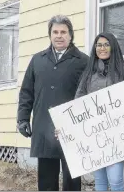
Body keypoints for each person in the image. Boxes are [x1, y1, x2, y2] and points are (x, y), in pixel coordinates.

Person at [17, 15, 89, 191]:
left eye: (63, 32)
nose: (59, 36)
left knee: (72, 180)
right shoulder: (37, 60)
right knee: (46, 180)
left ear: (71, 35)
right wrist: (23, 119)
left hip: (71, 129)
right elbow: (26, 92)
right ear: (49, 35)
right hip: (44, 126)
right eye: (55, 32)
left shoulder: (83, 61)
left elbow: (89, 94)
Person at [75, 32, 124, 191]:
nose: (102, 48)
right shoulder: (88, 73)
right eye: (99, 45)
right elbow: (78, 102)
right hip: (94, 134)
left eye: (106, 44)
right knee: (100, 181)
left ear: (113, 47)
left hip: (116, 134)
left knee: (115, 180)